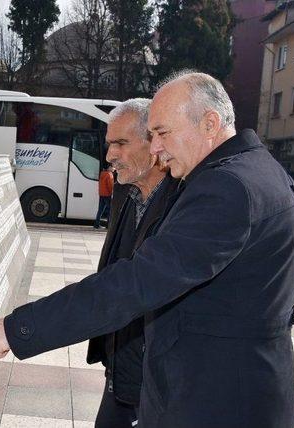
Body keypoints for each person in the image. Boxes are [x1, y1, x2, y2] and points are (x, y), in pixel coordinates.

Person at [0, 71, 294, 428]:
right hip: (232, 391)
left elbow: (135, 283)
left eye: (162, 133)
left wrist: (16, 329)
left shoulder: (227, 187)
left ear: (210, 124)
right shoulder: (257, 170)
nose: (155, 149)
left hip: (219, 403)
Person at [88, 98, 179, 428]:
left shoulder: (184, 204)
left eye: (121, 143)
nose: (110, 154)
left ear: (155, 145)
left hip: (155, 384)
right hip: (119, 371)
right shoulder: (126, 192)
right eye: (110, 143)